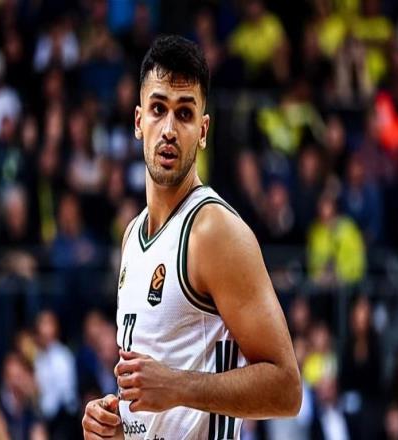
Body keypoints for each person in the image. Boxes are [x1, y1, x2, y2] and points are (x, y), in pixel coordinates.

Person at [82, 35, 301, 440]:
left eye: (184, 114)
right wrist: (115, 429)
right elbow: (154, 401)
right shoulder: (132, 235)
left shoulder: (213, 230)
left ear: (202, 131)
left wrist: (178, 387)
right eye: (158, 109)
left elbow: (287, 389)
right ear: (138, 121)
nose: (168, 129)